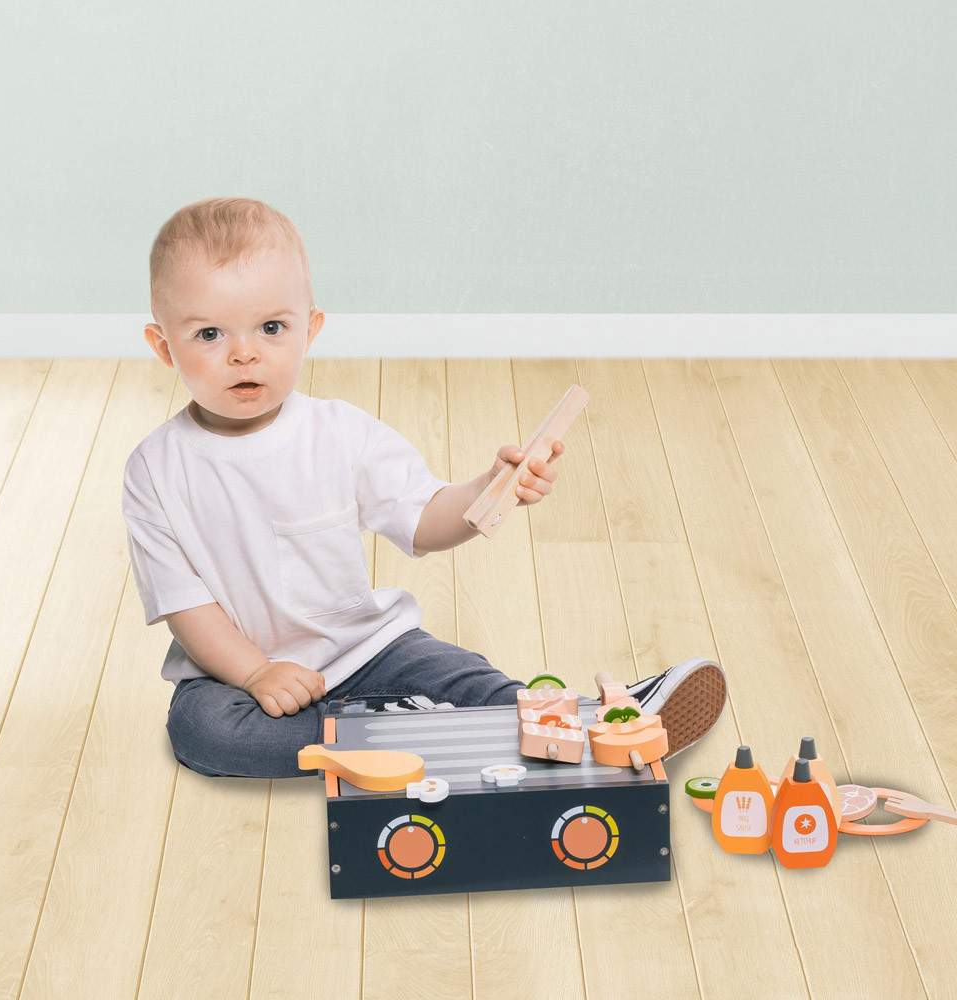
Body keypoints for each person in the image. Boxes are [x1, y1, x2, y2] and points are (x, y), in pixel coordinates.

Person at [122, 196, 726, 779]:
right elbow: (185, 606)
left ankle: (600, 719)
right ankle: (420, 730)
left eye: (271, 327)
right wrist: (256, 674)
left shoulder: (342, 434)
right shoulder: (154, 470)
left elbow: (423, 519)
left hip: (367, 652)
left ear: (310, 328)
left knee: (460, 676)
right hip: (234, 677)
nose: (244, 354)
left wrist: (490, 488)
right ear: (163, 346)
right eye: (210, 335)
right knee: (202, 731)